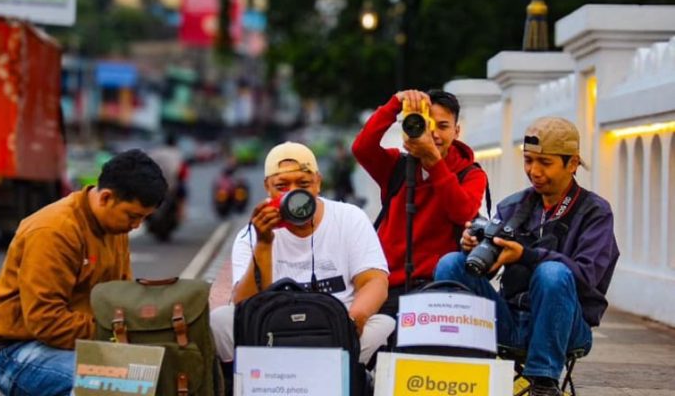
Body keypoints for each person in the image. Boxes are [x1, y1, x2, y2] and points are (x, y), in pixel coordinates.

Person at [435, 117, 619, 396]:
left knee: (552, 272)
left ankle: (543, 383)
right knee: (451, 264)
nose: (534, 171)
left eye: (545, 163)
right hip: (509, 320)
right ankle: (456, 367)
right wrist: (475, 249)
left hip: (566, 327)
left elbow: (587, 277)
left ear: (572, 164)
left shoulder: (595, 211)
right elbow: (487, 270)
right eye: (528, 160)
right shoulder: (514, 206)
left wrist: (526, 256)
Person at [0, 149, 168, 396]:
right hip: (18, 351)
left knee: (160, 377)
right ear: (106, 198)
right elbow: (46, 321)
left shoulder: (116, 228)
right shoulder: (54, 230)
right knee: (117, 386)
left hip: (80, 345)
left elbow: (121, 298)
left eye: (143, 218)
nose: (136, 226)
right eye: (133, 216)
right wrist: (115, 333)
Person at [210, 141, 394, 369]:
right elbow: (245, 305)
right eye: (282, 186)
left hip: (338, 330)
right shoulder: (252, 234)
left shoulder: (349, 217)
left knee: (385, 325)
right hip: (273, 335)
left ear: (318, 183)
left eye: (303, 184)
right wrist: (264, 244)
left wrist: (351, 323)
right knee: (220, 321)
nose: (294, 193)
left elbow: (375, 281)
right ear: (268, 188)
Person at [352, 89, 488, 317]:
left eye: (443, 126)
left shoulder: (470, 174)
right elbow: (362, 148)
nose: (433, 133)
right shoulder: (397, 167)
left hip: (439, 286)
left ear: (457, 131)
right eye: (427, 124)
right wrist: (395, 103)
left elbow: (462, 212)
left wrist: (432, 160)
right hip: (389, 285)